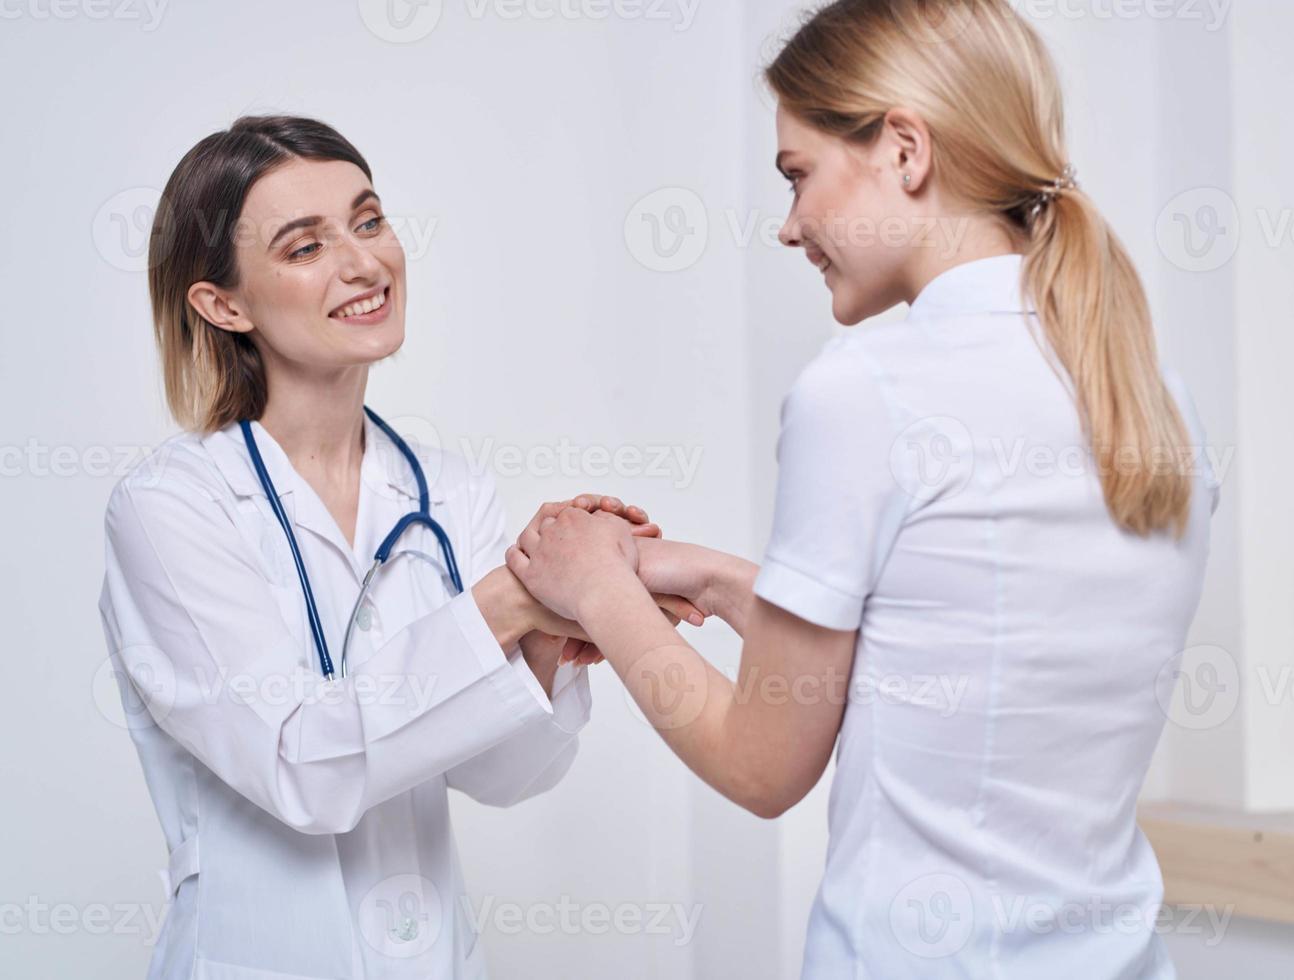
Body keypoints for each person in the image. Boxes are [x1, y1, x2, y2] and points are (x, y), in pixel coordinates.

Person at [507, 1, 1220, 977]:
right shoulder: (1147, 396)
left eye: (797, 174)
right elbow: (956, 660)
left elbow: (761, 765)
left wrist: (601, 590)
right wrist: (708, 577)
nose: (790, 225)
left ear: (902, 150)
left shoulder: (868, 387)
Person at [97, 115, 698, 980]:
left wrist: (548, 637)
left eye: (368, 221)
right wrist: (511, 601)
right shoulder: (170, 510)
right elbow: (299, 769)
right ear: (223, 304)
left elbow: (504, 774)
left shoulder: (448, 491)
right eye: (306, 248)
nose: (362, 264)